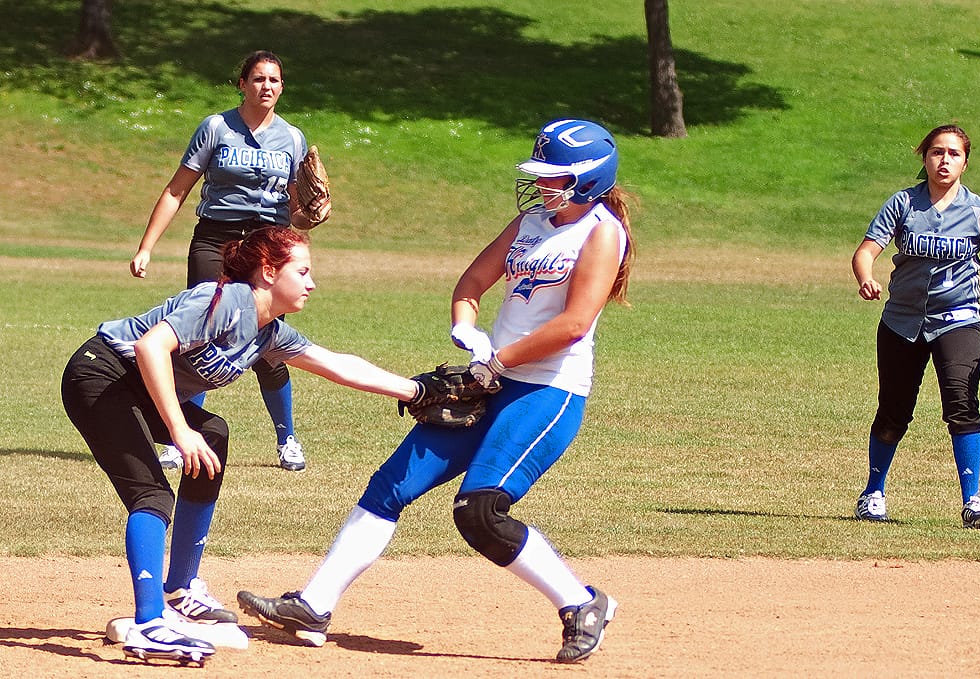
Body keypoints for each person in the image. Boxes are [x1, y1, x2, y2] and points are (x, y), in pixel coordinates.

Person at [237, 119, 636, 663]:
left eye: (555, 175)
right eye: (540, 172)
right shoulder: (531, 222)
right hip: (491, 378)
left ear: (589, 179)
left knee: (480, 511)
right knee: (390, 484)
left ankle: (582, 603)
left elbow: (572, 324)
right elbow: (471, 283)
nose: (543, 183)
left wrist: (497, 361)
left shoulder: (601, 231)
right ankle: (314, 605)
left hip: (548, 391)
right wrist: (467, 327)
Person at [62, 227, 432, 662]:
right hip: (101, 377)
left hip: (134, 387)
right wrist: (179, 430)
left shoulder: (267, 331)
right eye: (303, 271)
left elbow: (334, 364)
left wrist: (415, 391)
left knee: (214, 435)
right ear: (270, 272)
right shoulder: (222, 301)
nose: (312, 283)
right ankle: (149, 624)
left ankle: (180, 588)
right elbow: (151, 347)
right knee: (153, 494)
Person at [130, 50, 327, 472]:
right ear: (242, 84)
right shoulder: (216, 128)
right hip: (216, 240)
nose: (267, 86)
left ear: (282, 87)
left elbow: (294, 211)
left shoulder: (291, 138)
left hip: (265, 248)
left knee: (267, 345)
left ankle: (286, 437)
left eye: (274, 80)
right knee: (193, 336)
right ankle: (176, 433)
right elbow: (176, 191)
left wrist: (312, 214)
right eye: (258, 79)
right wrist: (147, 246)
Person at [851, 124, 980, 529]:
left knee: (962, 404)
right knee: (894, 411)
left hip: (960, 320)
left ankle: (973, 501)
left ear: (965, 162)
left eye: (953, 153)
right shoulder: (903, 204)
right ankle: (873, 493)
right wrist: (866, 276)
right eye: (936, 152)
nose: (944, 160)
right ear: (924, 158)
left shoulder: (979, 211)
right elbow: (866, 251)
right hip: (902, 321)